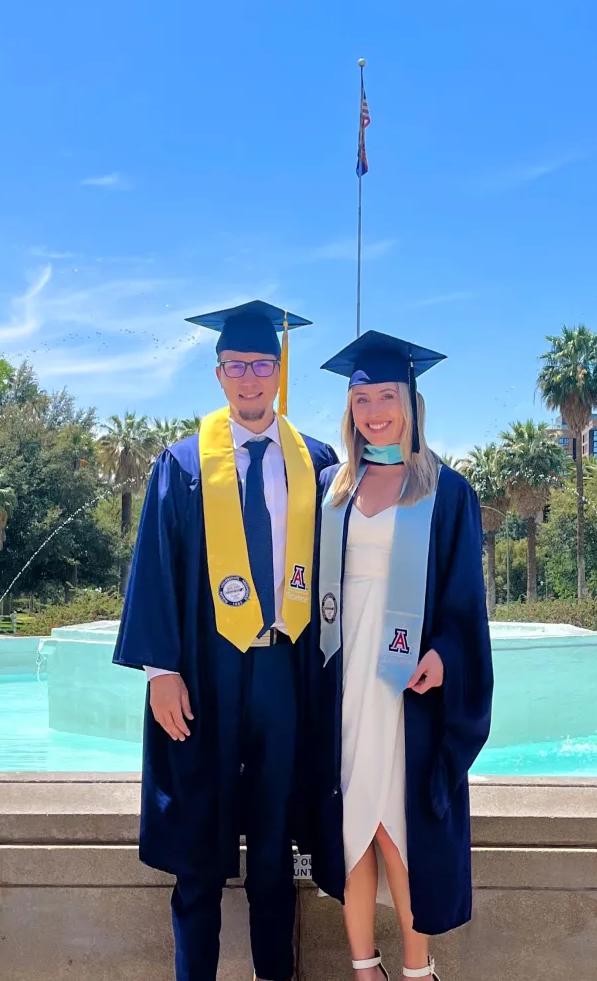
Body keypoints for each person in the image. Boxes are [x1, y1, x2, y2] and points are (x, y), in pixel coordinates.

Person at [113, 300, 339, 981]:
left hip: (285, 667)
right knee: (199, 846)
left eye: (261, 365)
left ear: (278, 371)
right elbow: (155, 564)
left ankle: (275, 972)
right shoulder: (182, 464)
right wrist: (161, 670)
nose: (249, 378)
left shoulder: (316, 461)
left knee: (274, 842)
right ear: (217, 374)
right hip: (206, 670)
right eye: (236, 366)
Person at [308, 331, 494, 981]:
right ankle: (365, 968)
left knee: (399, 831)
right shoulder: (332, 489)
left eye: (386, 395)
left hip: (407, 689)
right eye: (362, 397)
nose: (374, 409)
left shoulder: (444, 490)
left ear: (411, 402)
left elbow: (464, 600)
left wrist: (444, 654)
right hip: (344, 681)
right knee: (352, 830)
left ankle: (418, 970)